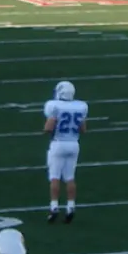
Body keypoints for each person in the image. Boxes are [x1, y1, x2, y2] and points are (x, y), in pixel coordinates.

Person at [42, 81, 88, 223]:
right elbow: (83, 129)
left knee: (55, 177)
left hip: (59, 143)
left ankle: (54, 206)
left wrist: (46, 129)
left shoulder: (54, 106)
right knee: (70, 177)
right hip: (74, 144)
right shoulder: (80, 106)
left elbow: (48, 128)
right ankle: (70, 206)